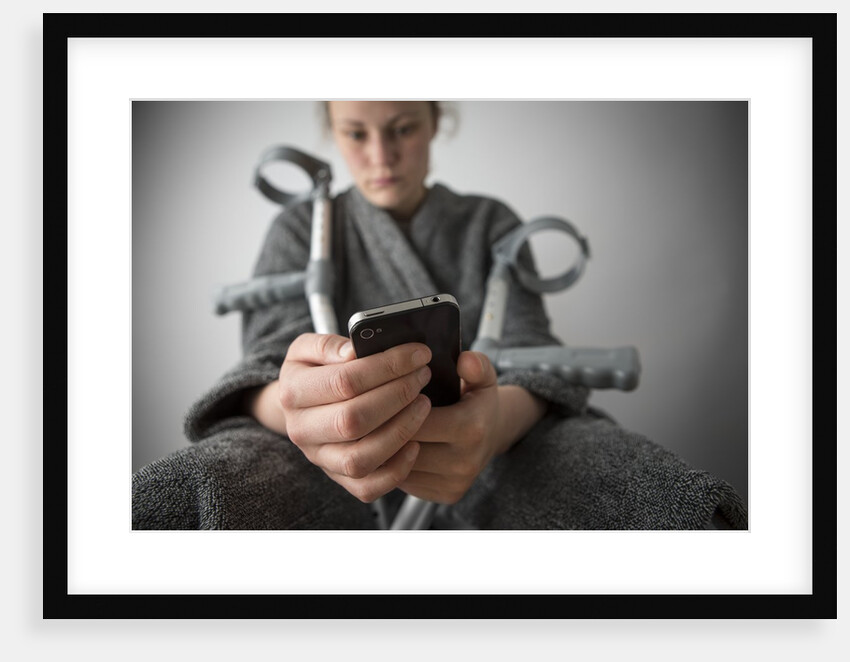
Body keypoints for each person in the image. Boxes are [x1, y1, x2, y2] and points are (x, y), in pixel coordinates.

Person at [136, 100, 748, 530]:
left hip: (499, 448)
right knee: (192, 492)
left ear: (435, 121)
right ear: (333, 132)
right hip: (319, 462)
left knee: (650, 491)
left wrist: (490, 429)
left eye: (403, 128)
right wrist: (299, 412)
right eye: (355, 133)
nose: (382, 155)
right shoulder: (302, 228)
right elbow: (265, 365)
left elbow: (536, 359)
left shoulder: (491, 223)